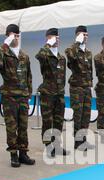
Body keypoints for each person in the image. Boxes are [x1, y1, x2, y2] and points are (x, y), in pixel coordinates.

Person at [0, 24, 35, 167]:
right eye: (13, 36)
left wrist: (29, 93)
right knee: (11, 127)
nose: (16, 38)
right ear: (8, 36)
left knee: (23, 126)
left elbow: (29, 76)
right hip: (9, 97)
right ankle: (13, 155)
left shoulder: (24, 56)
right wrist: (6, 44)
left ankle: (23, 153)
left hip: (23, 96)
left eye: (17, 36)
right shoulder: (4, 54)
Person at [35, 28, 69, 158]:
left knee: (59, 121)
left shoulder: (61, 58)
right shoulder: (44, 55)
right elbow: (38, 55)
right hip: (47, 95)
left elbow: (63, 76)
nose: (57, 39)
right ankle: (48, 146)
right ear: (48, 38)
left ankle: (57, 145)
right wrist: (48, 44)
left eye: (58, 37)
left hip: (59, 95)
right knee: (48, 121)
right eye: (54, 37)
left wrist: (61, 90)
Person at [65, 25, 94, 151]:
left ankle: (83, 139)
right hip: (77, 88)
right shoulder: (71, 49)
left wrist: (91, 84)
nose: (85, 37)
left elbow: (90, 70)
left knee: (86, 115)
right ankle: (77, 141)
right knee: (78, 115)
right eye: (83, 35)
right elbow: (71, 57)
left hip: (87, 87)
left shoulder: (88, 52)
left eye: (87, 35)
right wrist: (77, 42)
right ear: (77, 35)